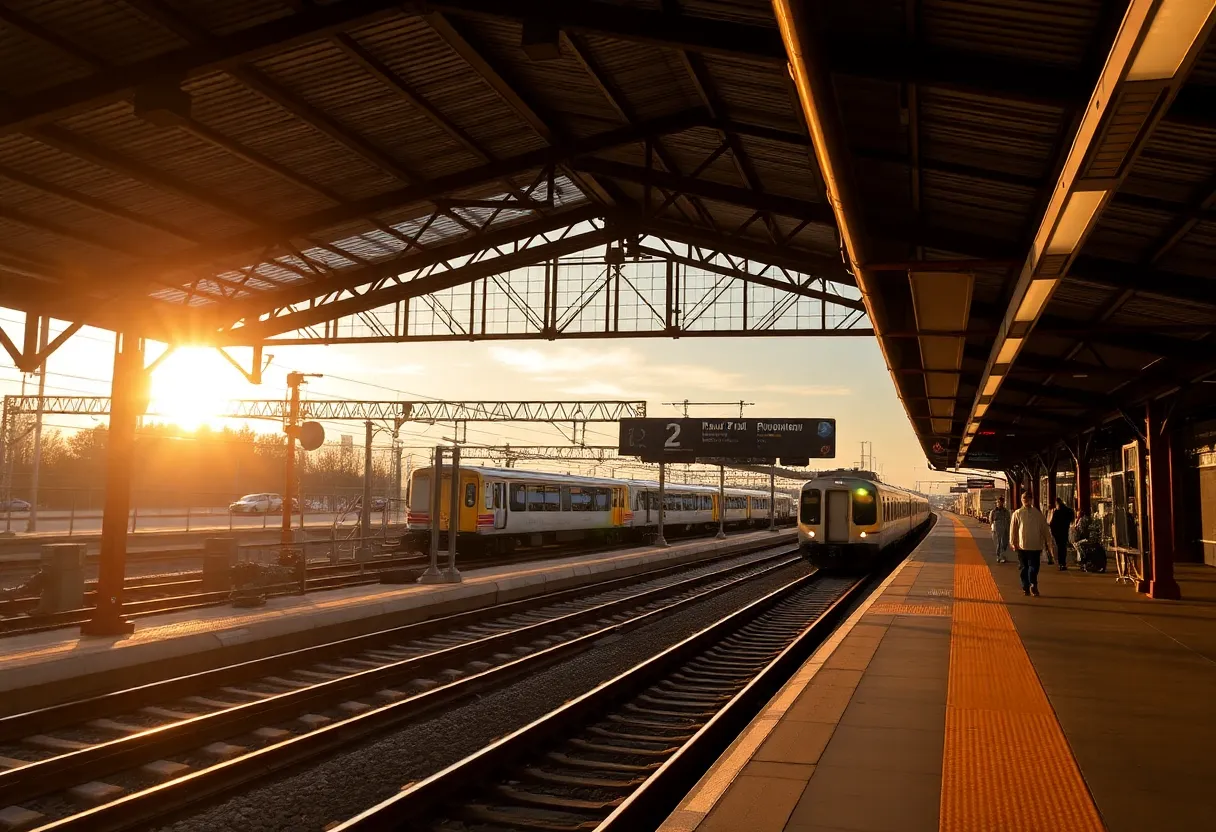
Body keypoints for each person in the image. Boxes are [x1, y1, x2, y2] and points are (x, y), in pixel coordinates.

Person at [1010, 492, 1055, 597]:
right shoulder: (1018, 513)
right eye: (1024, 499)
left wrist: (1049, 543)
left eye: (1027, 499)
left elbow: (1045, 530)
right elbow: (1013, 529)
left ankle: (1031, 584)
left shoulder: (1036, 514)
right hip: (1024, 546)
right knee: (1026, 568)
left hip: (1033, 546)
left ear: (1031, 500)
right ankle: (1028, 586)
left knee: (1031, 567)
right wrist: (1013, 542)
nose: (1026, 501)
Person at [1048, 497, 1075, 571]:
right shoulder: (1069, 510)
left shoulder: (1057, 512)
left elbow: (1052, 523)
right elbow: (1072, 520)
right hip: (1065, 531)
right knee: (1063, 547)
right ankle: (1063, 563)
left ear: (1057, 503)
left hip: (1058, 533)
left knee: (1060, 547)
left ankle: (1061, 563)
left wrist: (1053, 532)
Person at [989, 496, 1012, 563]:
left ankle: (1002, 555)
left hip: (1005, 529)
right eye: (998, 502)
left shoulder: (1006, 511)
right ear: (997, 502)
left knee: (1004, 543)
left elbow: (1009, 520)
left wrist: (1008, 528)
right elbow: (991, 520)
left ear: (1003, 502)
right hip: (997, 529)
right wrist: (992, 527)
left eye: (1001, 502)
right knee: (998, 543)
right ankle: (999, 556)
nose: (999, 503)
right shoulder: (993, 511)